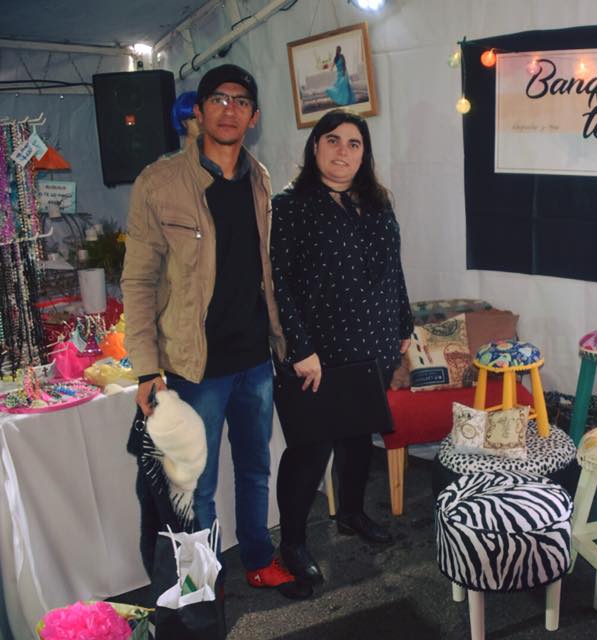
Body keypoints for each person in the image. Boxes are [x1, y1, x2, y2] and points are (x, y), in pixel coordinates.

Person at [121, 63, 302, 597]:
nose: (229, 109)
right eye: (218, 99)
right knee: (194, 484)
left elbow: (265, 270)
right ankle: (202, 581)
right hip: (191, 364)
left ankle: (258, 558)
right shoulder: (159, 183)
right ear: (198, 111)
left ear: (254, 117)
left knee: (255, 468)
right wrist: (146, 369)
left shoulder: (260, 178)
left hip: (254, 359)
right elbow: (138, 281)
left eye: (241, 101)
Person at [270, 109, 413, 585]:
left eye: (354, 143)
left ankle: (351, 512)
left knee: (357, 437)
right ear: (315, 147)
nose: (343, 152)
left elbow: (393, 267)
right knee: (310, 450)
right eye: (332, 140)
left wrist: (403, 323)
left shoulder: (377, 201)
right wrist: (298, 348)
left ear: (364, 153)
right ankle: (292, 542)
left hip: (373, 342)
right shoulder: (290, 206)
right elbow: (277, 283)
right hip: (318, 352)